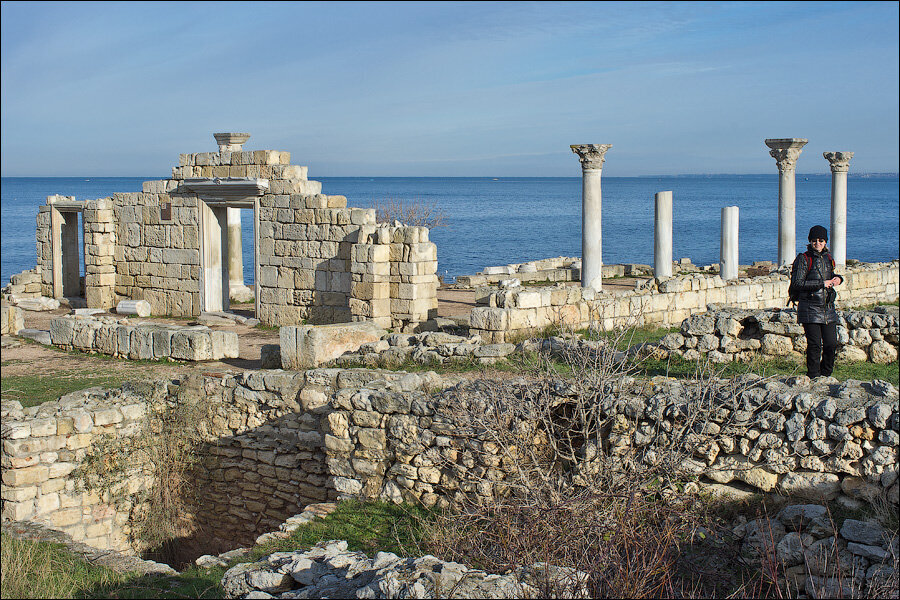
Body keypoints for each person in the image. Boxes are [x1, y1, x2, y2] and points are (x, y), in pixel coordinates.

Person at [789, 225, 844, 378]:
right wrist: (822, 284)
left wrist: (839, 278)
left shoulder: (828, 258)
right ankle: (813, 375)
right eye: (814, 240)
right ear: (810, 241)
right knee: (814, 345)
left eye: (821, 240)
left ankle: (826, 375)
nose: (818, 243)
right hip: (809, 308)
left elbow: (830, 275)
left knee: (831, 344)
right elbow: (797, 283)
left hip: (827, 308)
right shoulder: (803, 259)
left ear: (825, 242)